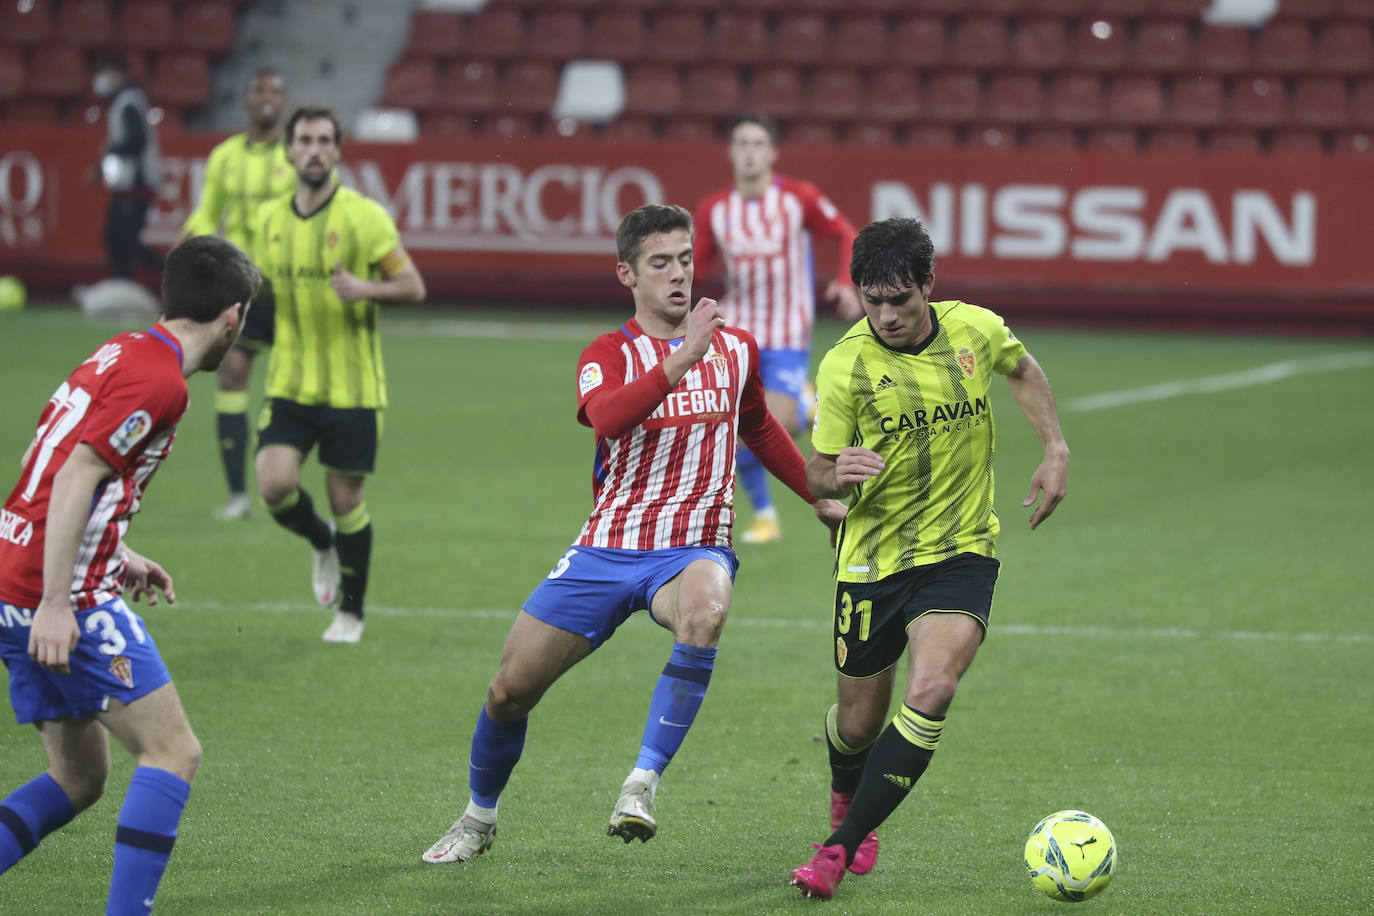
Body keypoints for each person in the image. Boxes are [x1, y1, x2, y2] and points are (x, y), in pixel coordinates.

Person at [420, 204, 846, 865]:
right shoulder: (607, 354)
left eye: (684, 260)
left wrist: (814, 495)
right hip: (607, 548)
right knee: (508, 691)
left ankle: (641, 784)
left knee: (705, 613)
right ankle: (478, 820)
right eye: (660, 264)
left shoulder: (735, 348)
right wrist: (683, 358)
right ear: (627, 274)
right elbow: (610, 418)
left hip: (693, 546)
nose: (678, 275)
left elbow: (757, 425)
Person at [789, 218, 1071, 900]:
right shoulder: (845, 364)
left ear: (928, 288)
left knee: (933, 689)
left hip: (960, 551)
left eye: (900, 300)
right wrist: (835, 476)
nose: (885, 315)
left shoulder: (975, 330)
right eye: (872, 299)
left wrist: (1055, 447)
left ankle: (838, 848)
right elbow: (814, 473)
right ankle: (843, 790)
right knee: (856, 726)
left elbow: (1023, 368)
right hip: (872, 559)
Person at [0, 236, 260, 911]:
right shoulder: (163, 382)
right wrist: (60, 600)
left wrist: (115, 551)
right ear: (232, 318)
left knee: (78, 776)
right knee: (173, 753)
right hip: (55, 594)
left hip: (12, 570)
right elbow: (78, 473)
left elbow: (50, 464)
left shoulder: (121, 350)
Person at [252, 105, 426, 644]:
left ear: (338, 151)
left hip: (353, 388)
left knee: (346, 499)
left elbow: (413, 286)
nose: (314, 150)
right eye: (304, 140)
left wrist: (367, 288)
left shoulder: (364, 217)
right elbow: (258, 292)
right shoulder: (267, 220)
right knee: (275, 486)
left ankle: (350, 613)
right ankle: (320, 540)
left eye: (325, 141)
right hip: (289, 382)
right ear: (288, 150)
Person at [693, 112, 863, 545]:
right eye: (741, 144)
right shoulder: (716, 209)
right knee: (727, 429)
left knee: (775, 426)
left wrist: (845, 282)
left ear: (771, 152)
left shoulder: (797, 198)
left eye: (757, 144)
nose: (749, 152)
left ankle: (805, 404)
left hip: (786, 335)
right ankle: (765, 515)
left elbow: (846, 233)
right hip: (736, 332)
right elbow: (694, 265)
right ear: (732, 153)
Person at [180, 68, 295, 521]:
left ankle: (286, 479)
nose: (267, 97)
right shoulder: (225, 156)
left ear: (284, 104)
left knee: (296, 387)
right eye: (259, 89)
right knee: (231, 376)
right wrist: (188, 247)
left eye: (276, 91)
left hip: (291, 291)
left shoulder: (298, 153)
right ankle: (238, 496)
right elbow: (209, 211)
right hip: (245, 291)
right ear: (247, 100)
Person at [89, 54, 164, 282]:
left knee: (120, 240)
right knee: (120, 240)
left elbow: (136, 140)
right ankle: (124, 284)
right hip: (129, 185)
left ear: (121, 75)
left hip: (136, 185)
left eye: (108, 73)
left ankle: (169, 276)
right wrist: (100, 168)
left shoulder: (129, 102)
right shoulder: (126, 101)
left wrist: (110, 150)